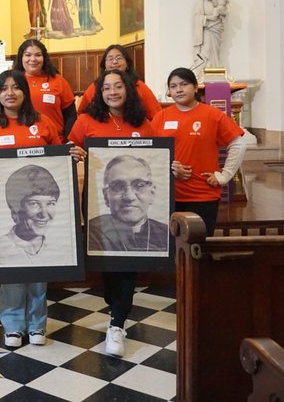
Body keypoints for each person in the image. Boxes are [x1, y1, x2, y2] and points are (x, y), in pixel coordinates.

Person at [69, 69, 157, 357]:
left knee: (128, 260)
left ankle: (118, 322)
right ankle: (115, 304)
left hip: (134, 209)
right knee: (108, 259)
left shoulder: (143, 123)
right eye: (106, 88)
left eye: (118, 86)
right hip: (99, 203)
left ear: (128, 90)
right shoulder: (86, 121)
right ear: (99, 93)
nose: (112, 92)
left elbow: (156, 157)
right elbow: (70, 145)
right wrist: (73, 151)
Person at [0, 70, 61, 349]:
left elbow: (58, 160)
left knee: (38, 265)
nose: (10, 93)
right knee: (12, 265)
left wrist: (70, 153)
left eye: (16, 87)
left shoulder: (43, 123)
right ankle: (12, 324)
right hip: (6, 209)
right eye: (4, 88)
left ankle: (37, 324)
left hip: (39, 213)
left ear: (25, 92)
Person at [152, 68, 246, 237]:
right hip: (168, 194)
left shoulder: (212, 114)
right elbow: (152, 153)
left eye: (184, 84)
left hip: (203, 194)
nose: (178, 89)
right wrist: (170, 167)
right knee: (171, 246)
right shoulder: (161, 117)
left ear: (195, 87)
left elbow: (238, 144)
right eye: (173, 86)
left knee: (199, 244)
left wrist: (225, 175)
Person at [89, 156, 168, 253]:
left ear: (152, 193)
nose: (129, 197)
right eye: (118, 186)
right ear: (106, 196)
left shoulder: (166, 232)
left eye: (139, 185)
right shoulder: (92, 232)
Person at [0, 165, 67, 266]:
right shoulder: (0, 250)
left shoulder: (61, 250)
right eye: (34, 203)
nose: (44, 214)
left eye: (50, 203)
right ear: (16, 208)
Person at [13, 39, 77, 141]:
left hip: (54, 142)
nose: (33, 59)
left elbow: (71, 115)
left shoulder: (58, 80)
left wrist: (67, 141)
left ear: (44, 58)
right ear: (21, 57)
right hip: (21, 142)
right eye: (28, 55)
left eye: (38, 55)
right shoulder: (13, 82)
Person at [75, 45, 162, 119]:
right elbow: (82, 114)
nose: (114, 62)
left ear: (127, 63)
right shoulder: (95, 87)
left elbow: (157, 116)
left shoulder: (139, 86)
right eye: (110, 58)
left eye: (119, 58)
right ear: (104, 64)